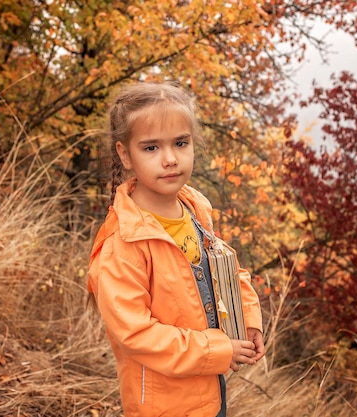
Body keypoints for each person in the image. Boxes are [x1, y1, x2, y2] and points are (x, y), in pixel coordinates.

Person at [87, 81, 265, 417]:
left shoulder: (195, 208)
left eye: (180, 143)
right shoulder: (123, 245)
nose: (170, 159)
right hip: (162, 402)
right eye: (151, 148)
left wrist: (249, 319)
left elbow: (226, 269)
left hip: (210, 389)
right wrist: (216, 350)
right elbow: (136, 334)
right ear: (125, 154)